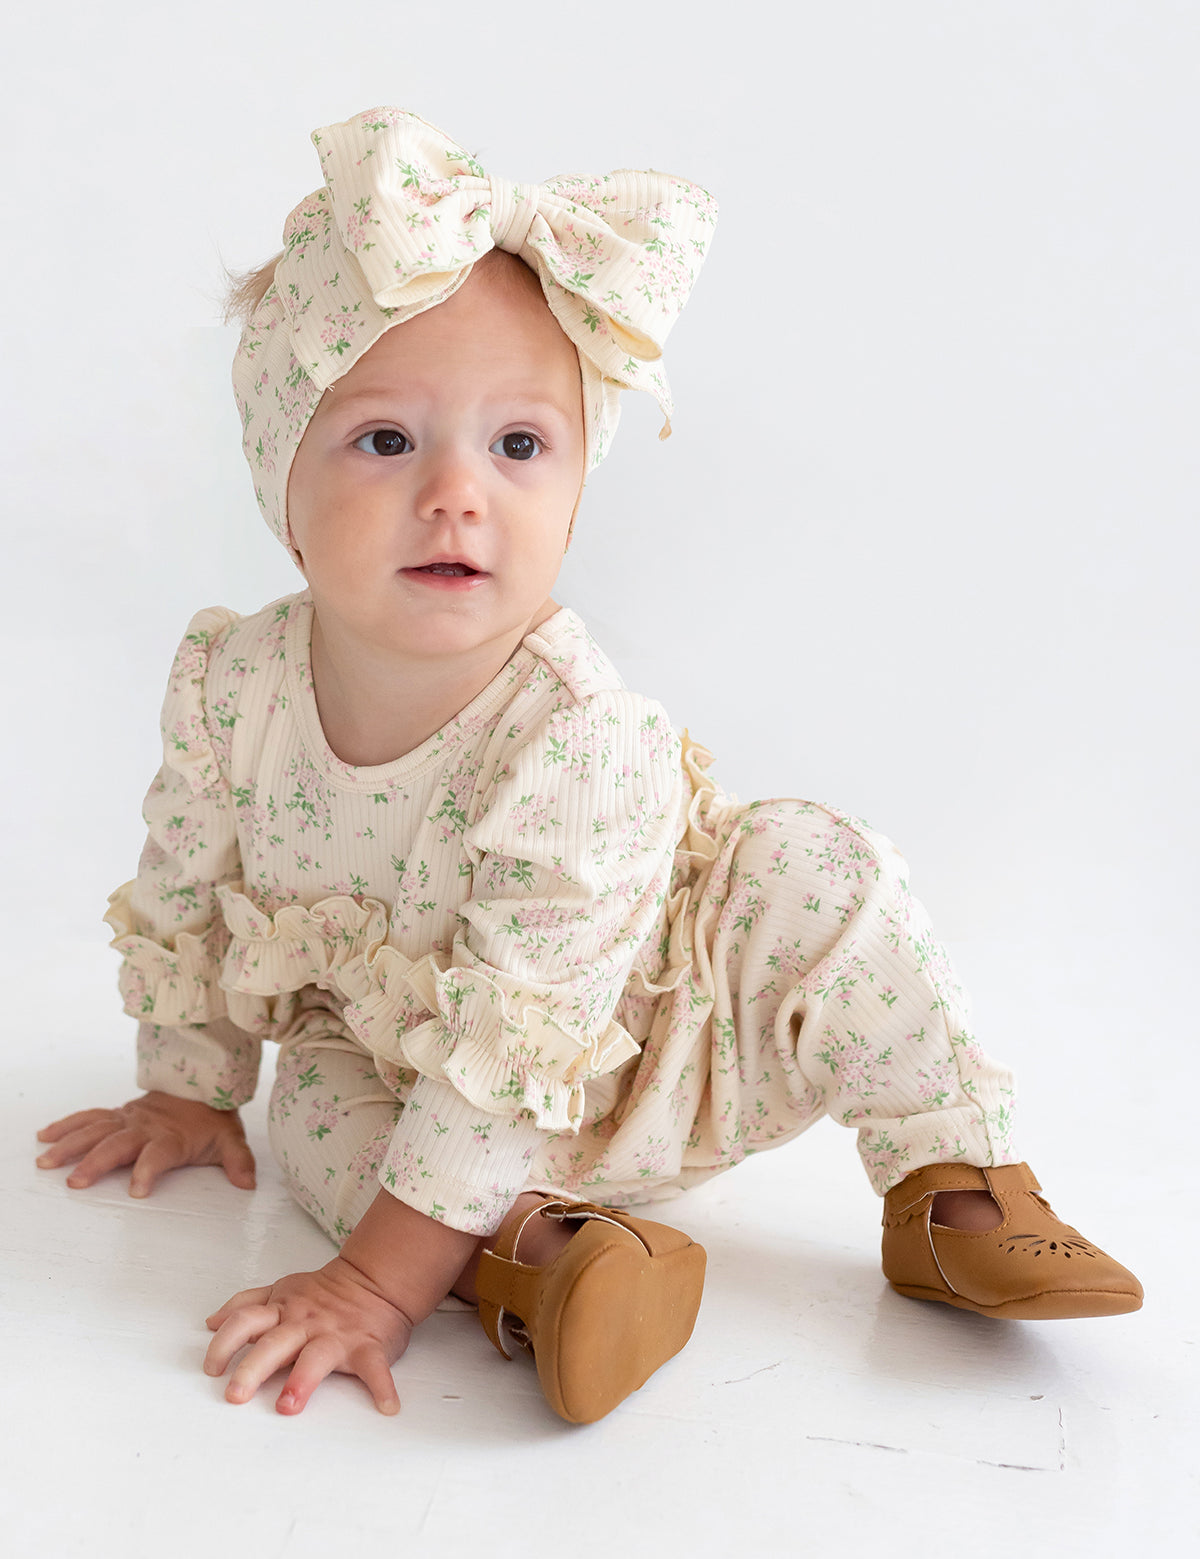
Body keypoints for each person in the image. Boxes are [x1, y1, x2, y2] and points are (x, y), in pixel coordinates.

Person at [35, 106, 1142, 1427]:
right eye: (387, 441)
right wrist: (186, 1081)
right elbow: (189, 887)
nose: (459, 494)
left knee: (818, 873)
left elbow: (531, 1001)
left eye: (518, 447)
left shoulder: (578, 735)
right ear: (282, 480)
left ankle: (951, 1183)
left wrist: (367, 1293)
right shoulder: (233, 688)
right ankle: (555, 1264)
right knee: (321, 1128)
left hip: (669, 1029)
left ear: (573, 485)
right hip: (414, 1059)